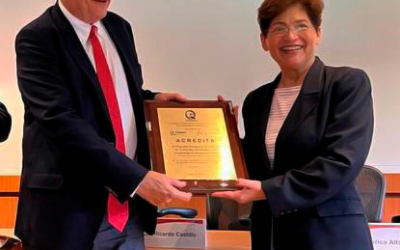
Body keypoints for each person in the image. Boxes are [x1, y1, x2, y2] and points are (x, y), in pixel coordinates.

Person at [15, 0, 192, 249]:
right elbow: (58, 118)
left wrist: (151, 100)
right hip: (68, 215)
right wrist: (137, 179)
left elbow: (114, 97)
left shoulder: (119, 27)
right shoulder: (37, 37)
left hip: (129, 211)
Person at [213, 0, 374, 249]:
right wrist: (228, 141)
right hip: (271, 235)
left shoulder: (346, 84)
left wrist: (267, 190)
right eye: (278, 28)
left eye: (301, 26)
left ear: (317, 33)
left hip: (330, 236)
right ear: (264, 40)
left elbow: (341, 163)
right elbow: (259, 169)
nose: (291, 36)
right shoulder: (257, 101)